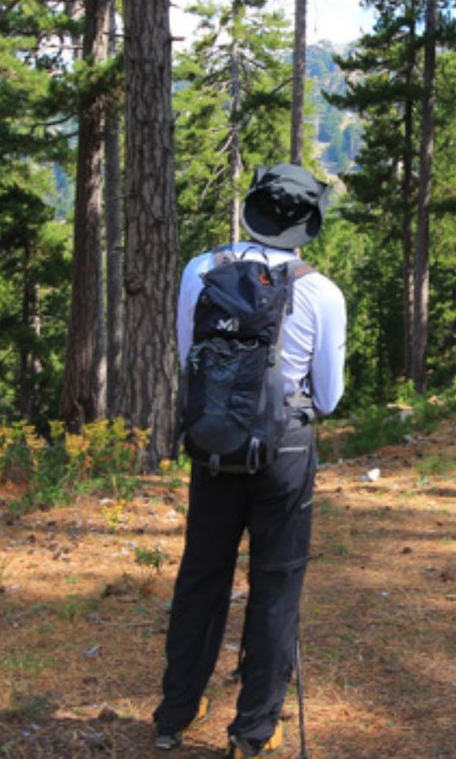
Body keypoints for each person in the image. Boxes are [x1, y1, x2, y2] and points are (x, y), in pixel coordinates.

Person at [154, 164, 346, 757]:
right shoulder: (320, 290)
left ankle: (174, 716)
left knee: (201, 576)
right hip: (284, 452)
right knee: (276, 585)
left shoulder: (201, 270)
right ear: (306, 224)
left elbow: (189, 356)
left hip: (214, 442)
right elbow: (330, 397)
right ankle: (253, 732)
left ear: (253, 209)